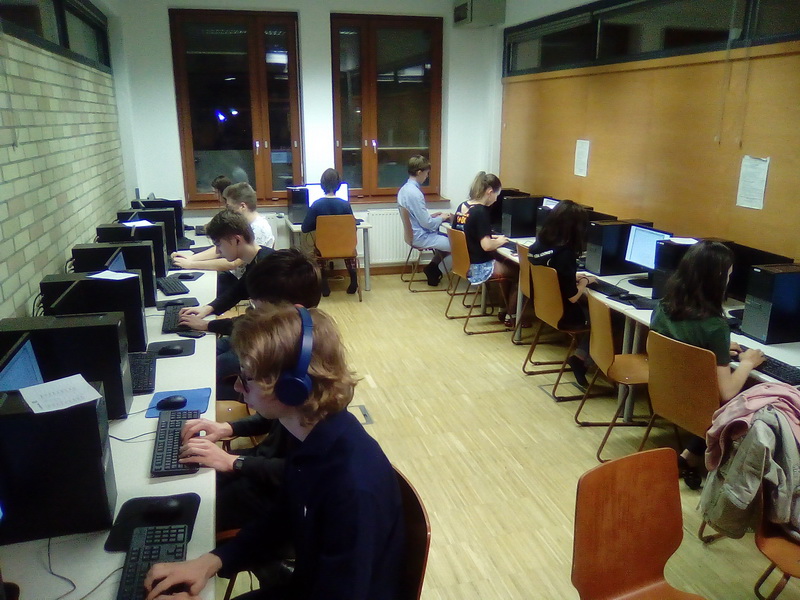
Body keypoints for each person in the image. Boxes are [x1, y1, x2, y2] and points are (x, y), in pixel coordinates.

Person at [144, 305, 405, 600]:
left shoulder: (352, 487)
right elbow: (281, 519)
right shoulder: (310, 436)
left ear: (291, 388)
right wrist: (211, 561)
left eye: (246, 377)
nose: (237, 386)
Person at [180, 248, 322, 532]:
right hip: (262, 467)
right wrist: (227, 428)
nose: (253, 315)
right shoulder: (290, 350)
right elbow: (276, 418)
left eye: (259, 309)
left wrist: (234, 462)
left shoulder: (308, 367)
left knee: (186, 515)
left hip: (277, 491)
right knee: (185, 479)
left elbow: (307, 472)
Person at [650, 239, 765, 489]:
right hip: (699, 405)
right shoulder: (714, 326)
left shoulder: (663, 306)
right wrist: (747, 363)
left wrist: (718, 349)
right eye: (728, 275)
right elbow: (727, 392)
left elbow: (686, 342)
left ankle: (688, 457)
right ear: (717, 280)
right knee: (757, 394)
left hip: (665, 393)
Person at [528, 200, 595, 386]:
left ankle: (583, 357)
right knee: (609, 318)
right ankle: (580, 359)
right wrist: (585, 282)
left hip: (545, 307)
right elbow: (572, 297)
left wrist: (571, 276)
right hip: (565, 313)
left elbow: (553, 274)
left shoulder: (540, 243)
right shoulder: (565, 254)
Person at [178, 209, 273, 334]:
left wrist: (207, 325)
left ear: (236, 240)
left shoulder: (266, 269)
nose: (218, 251)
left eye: (218, 244)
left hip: (270, 336)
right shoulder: (259, 257)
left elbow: (258, 322)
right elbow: (238, 291)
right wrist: (208, 308)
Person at [452, 171, 519, 327]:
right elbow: (487, 246)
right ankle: (512, 316)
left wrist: (488, 235)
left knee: (505, 262)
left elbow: (467, 232)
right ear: (489, 192)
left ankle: (503, 310)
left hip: (465, 263)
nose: (496, 200)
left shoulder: (463, 206)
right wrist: (500, 241)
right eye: (497, 195)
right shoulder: (481, 211)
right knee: (519, 272)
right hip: (479, 267)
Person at [172, 183, 273, 272]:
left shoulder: (258, 228)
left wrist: (191, 264)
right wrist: (191, 258)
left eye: (229, 206)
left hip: (241, 278)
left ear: (242, 206)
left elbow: (233, 263)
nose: (227, 210)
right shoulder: (245, 224)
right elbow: (222, 247)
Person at [301, 168, 358, 296]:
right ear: (339, 184)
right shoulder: (345, 205)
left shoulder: (316, 205)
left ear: (322, 184)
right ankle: (353, 280)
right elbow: (352, 227)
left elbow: (305, 228)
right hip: (344, 247)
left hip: (324, 248)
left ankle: (324, 285)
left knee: (319, 247)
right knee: (349, 246)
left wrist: (318, 224)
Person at [397, 155, 451, 286]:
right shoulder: (415, 193)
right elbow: (427, 224)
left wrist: (433, 217)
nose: (427, 176)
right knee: (460, 246)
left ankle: (432, 267)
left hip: (414, 234)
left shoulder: (404, 189)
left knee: (447, 240)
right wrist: (441, 218)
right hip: (422, 237)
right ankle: (435, 271)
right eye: (427, 173)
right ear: (419, 172)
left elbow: (417, 217)